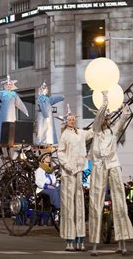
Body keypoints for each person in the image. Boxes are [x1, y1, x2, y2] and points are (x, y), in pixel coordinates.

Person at [89, 91, 133, 256]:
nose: (107, 121)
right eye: (105, 119)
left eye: (108, 119)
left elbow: (123, 119)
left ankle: (122, 243)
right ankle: (94, 244)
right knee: (96, 203)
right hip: (99, 166)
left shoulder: (112, 132)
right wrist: (105, 101)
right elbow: (99, 117)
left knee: (120, 202)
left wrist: (124, 110)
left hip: (113, 165)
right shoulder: (96, 131)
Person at [57, 104, 93, 251]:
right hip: (68, 173)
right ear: (66, 121)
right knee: (68, 206)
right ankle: (69, 240)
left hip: (78, 172)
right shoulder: (65, 135)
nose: (72, 121)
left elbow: (92, 132)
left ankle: (80, 239)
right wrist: (67, 165)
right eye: (69, 119)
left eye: (73, 119)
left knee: (79, 206)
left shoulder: (80, 133)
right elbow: (60, 152)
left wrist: (101, 117)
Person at [0, 75, 28, 143]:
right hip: (3, 112)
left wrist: (25, 111)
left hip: (11, 113)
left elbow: (19, 103)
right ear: (5, 85)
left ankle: (11, 138)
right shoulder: (2, 93)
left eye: (10, 84)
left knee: (11, 125)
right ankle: (0, 138)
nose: (9, 86)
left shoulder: (14, 94)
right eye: (7, 84)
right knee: (3, 124)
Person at [36, 81, 64, 146]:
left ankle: (47, 140)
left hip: (47, 116)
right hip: (43, 117)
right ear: (42, 90)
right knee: (43, 128)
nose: (47, 90)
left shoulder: (47, 98)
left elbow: (52, 99)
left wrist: (61, 97)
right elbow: (43, 107)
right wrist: (46, 116)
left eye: (47, 89)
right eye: (46, 89)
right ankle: (41, 141)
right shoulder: (41, 98)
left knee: (48, 128)